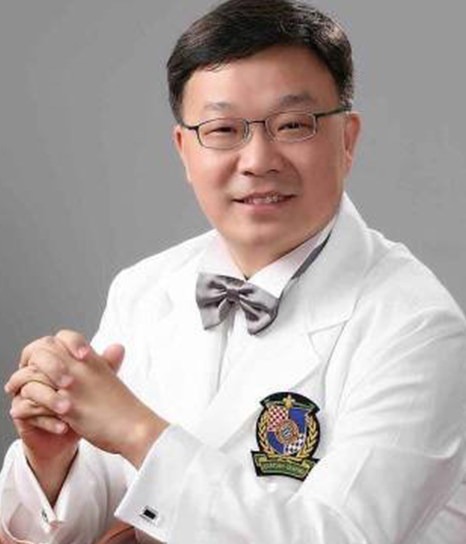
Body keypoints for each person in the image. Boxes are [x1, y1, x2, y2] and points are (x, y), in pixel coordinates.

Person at [1, 0, 466, 542]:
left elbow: (343, 536)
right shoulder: (144, 289)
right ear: (184, 150)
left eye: (293, 125)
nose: (259, 160)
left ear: (347, 139)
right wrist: (53, 461)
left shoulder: (418, 326)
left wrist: (134, 429)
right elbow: (96, 508)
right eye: (223, 129)